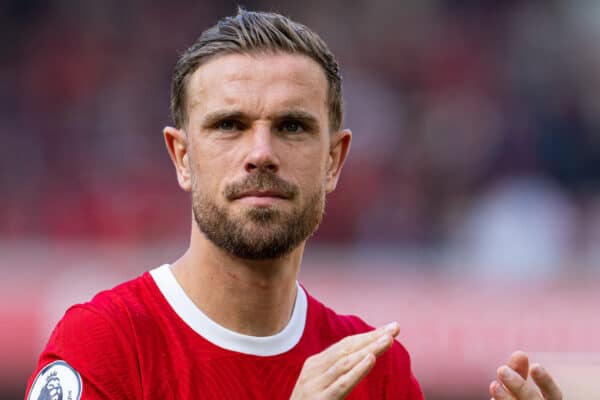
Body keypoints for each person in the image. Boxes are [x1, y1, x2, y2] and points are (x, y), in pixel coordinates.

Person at [25, 9, 563, 400]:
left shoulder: (375, 372)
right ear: (182, 156)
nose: (261, 153)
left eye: (292, 127)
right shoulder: (105, 346)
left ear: (334, 159)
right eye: (230, 126)